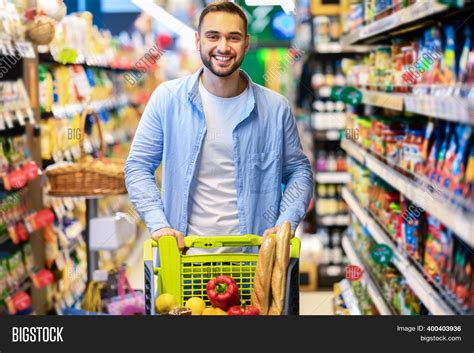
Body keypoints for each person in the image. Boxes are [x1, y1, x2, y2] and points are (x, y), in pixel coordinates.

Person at [125, 1, 313, 253]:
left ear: (246, 43)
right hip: (185, 258)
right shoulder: (167, 99)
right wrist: (158, 224)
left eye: (233, 38)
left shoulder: (275, 109)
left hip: (255, 261)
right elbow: (138, 166)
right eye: (213, 36)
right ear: (197, 41)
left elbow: (299, 172)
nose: (223, 47)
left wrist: (286, 221)